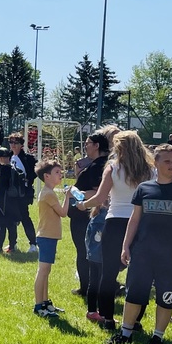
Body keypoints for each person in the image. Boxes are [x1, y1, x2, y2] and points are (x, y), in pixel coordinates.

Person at [109, 144, 172, 344]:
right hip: (143, 252)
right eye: (167, 161)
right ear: (156, 163)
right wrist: (125, 245)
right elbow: (134, 219)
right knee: (134, 294)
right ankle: (125, 333)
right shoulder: (144, 188)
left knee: (166, 297)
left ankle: (157, 338)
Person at [76, 130, 155, 330]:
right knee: (141, 274)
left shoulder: (113, 167)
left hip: (115, 222)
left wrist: (83, 205)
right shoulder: (150, 170)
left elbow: (100, 198)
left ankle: (108, 318)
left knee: (108, 273)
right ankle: (135, 320)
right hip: (141, 222)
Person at [68, 128, 114, 300]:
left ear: (96, 145)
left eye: (87, 143)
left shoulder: (98, 166)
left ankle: (87, 288)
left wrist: (76, 193)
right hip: (88, 214)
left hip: (86, 215)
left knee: (85, 252)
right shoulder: (101, 164)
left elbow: (98, 192)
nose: (85, 146)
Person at [32, 160, 70, 318]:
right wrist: (68, 197)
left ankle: (45, 302)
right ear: (46, 176)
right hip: (46, 236)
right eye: (57, 172)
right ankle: (38, 305)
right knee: (43, 271)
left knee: (46, 271)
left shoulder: (49, 192)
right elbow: (63, 213)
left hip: (49, 236)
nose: (60, 175)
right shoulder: (48, 193)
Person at [6, 134, 39, 254]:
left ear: (21, 144)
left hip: (23, 193)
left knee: (25, 218)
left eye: (16, 143)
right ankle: (12, 244)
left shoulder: (28, 158)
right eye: (11, 142)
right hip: (11, 193)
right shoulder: (8, 156)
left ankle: (33, 244)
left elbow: (36, 171)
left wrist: (27, 179)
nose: (13, 145)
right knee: (10, 218)